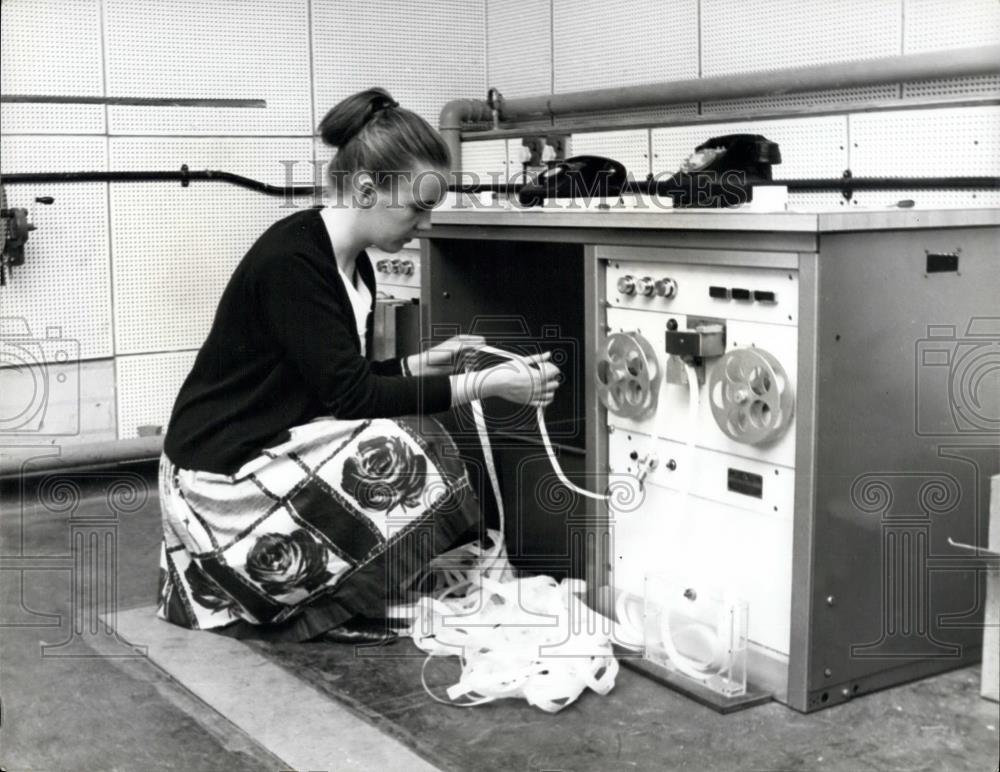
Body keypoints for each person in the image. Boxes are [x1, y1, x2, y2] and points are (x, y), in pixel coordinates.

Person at [157, 87, 561, 642]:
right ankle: (318, 601)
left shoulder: (355, 267)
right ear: (368, 189)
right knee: (409, 445)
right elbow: (353, 401)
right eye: (417, 207)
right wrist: (485, 383)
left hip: (264, 444)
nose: (422, 224)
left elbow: (339, 385)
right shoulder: (293, 261)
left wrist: (419, 364)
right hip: (217, 477)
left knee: (408, 436)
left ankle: (343, 591)